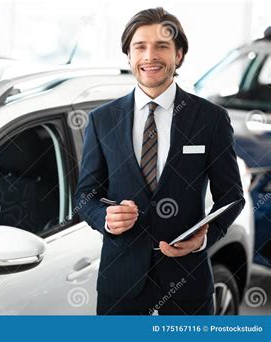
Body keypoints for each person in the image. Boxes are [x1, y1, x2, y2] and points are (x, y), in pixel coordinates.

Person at [74, 7, 245, 315]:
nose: (149, 56)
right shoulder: (102, 120)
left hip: (187, 285)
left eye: (162, 46)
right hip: (120, 286)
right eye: (140, 47)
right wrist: (105, 218)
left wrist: (202, 241)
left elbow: (231, 198)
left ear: (179, 55)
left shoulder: (211, 119)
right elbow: (84, 196)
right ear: (128, 55)